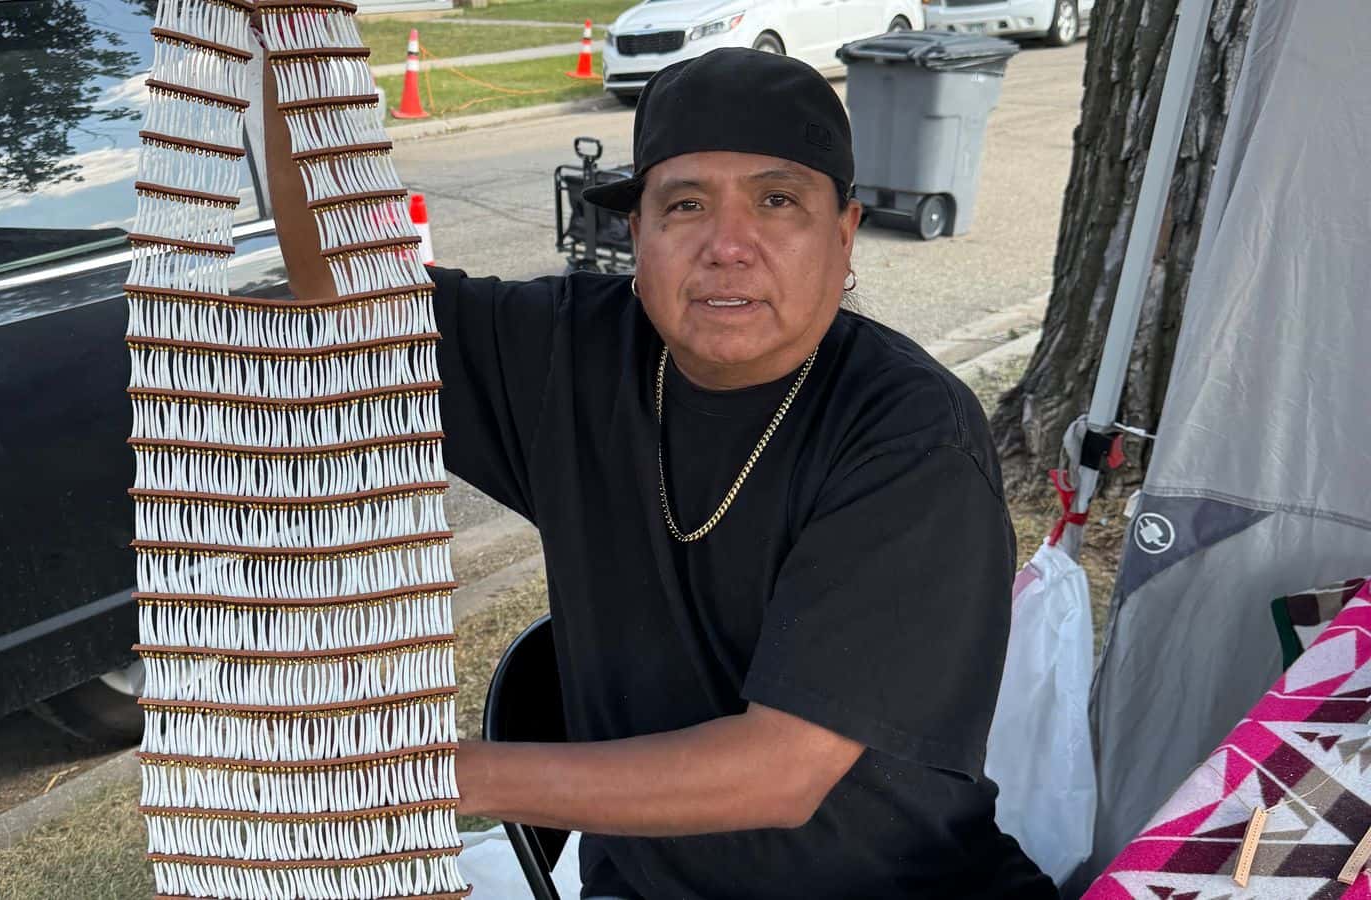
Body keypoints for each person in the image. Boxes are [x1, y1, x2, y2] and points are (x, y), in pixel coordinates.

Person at [430, 47, 1056, 899]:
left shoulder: (910, 436)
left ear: (843, 234)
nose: (728, 246)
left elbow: (778, 773)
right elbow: (343, 308)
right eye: (685, 204)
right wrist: (290, 56)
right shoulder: (569, 352)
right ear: (636, 232)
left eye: (777, 201)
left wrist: (427, 775)